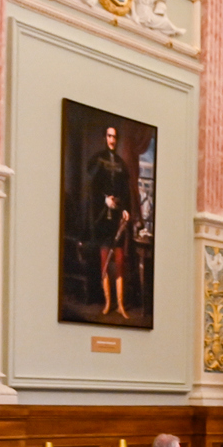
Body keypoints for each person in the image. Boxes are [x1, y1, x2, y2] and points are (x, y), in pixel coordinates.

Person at [88, 125, 136, 319]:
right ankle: (108, 303)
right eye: (109, 136)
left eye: (115, 136)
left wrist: (125, 208)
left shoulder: (122, 164)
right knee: (104, 262)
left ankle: (121, 305)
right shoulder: (97, 159)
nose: (112, 140)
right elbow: (93, 188)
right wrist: (104, 200)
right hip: (102, 219)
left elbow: (125, 191)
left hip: (117, 221)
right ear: (105, 138)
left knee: (120, 261)